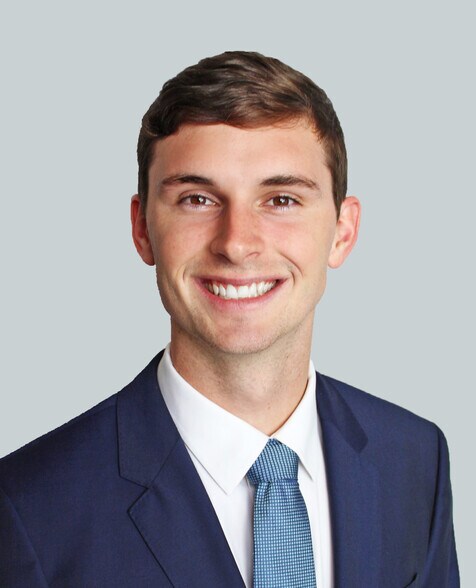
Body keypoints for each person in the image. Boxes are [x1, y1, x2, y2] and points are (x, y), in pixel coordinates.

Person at [0, 51, 459, 587]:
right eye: (197, 199)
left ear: (343, 231)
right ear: (143, 229)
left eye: (281, 199)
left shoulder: (415, 460)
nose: (237, 243)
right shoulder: (28, 507)